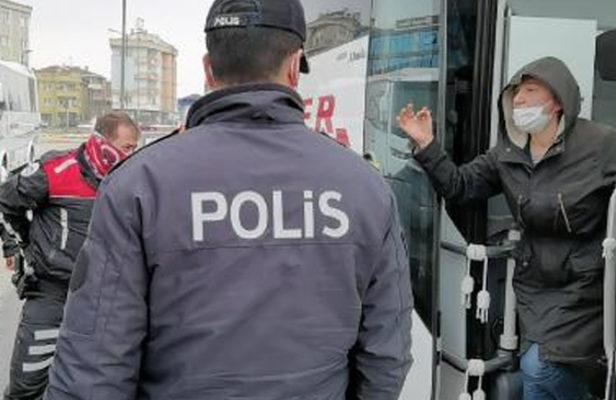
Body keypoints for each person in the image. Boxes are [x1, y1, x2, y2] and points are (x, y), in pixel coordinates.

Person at [43, 1, 413, 399]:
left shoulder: (139, 185)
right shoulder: (365, 187)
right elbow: (385, 356)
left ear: (207, 69)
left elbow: (94, 368)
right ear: (295, 66)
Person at [398, 56, 616, 400]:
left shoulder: (601, 144)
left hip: (585, 287)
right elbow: (460, 186)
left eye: (531, 91)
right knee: (540, 374)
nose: (519, 100)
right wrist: (427, 146)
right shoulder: (506, 153)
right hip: (535, 287)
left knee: (539, 368)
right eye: (516, 94)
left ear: (559, 100)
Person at [0, 112, 140, 400]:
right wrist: (21, 245)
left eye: (135, 148)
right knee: (26, 387)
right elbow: (5, 200)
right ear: (102, 143)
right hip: (51, 293)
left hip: (103, 298)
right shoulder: (55, 170)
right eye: (127, 147)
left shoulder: (132, 180)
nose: (132, 155)